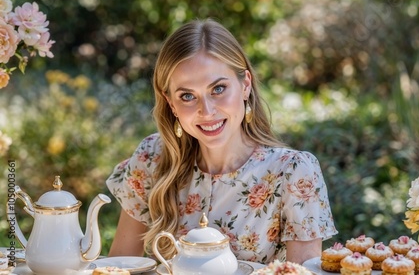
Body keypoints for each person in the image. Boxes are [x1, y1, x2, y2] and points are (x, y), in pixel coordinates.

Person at [105, 18, 337, 265]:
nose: (206, 111)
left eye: (218, 89)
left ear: (245, 85)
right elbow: (118, 267)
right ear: (171, 103)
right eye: (187, 96)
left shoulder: (294, 172)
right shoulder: (152, 158)